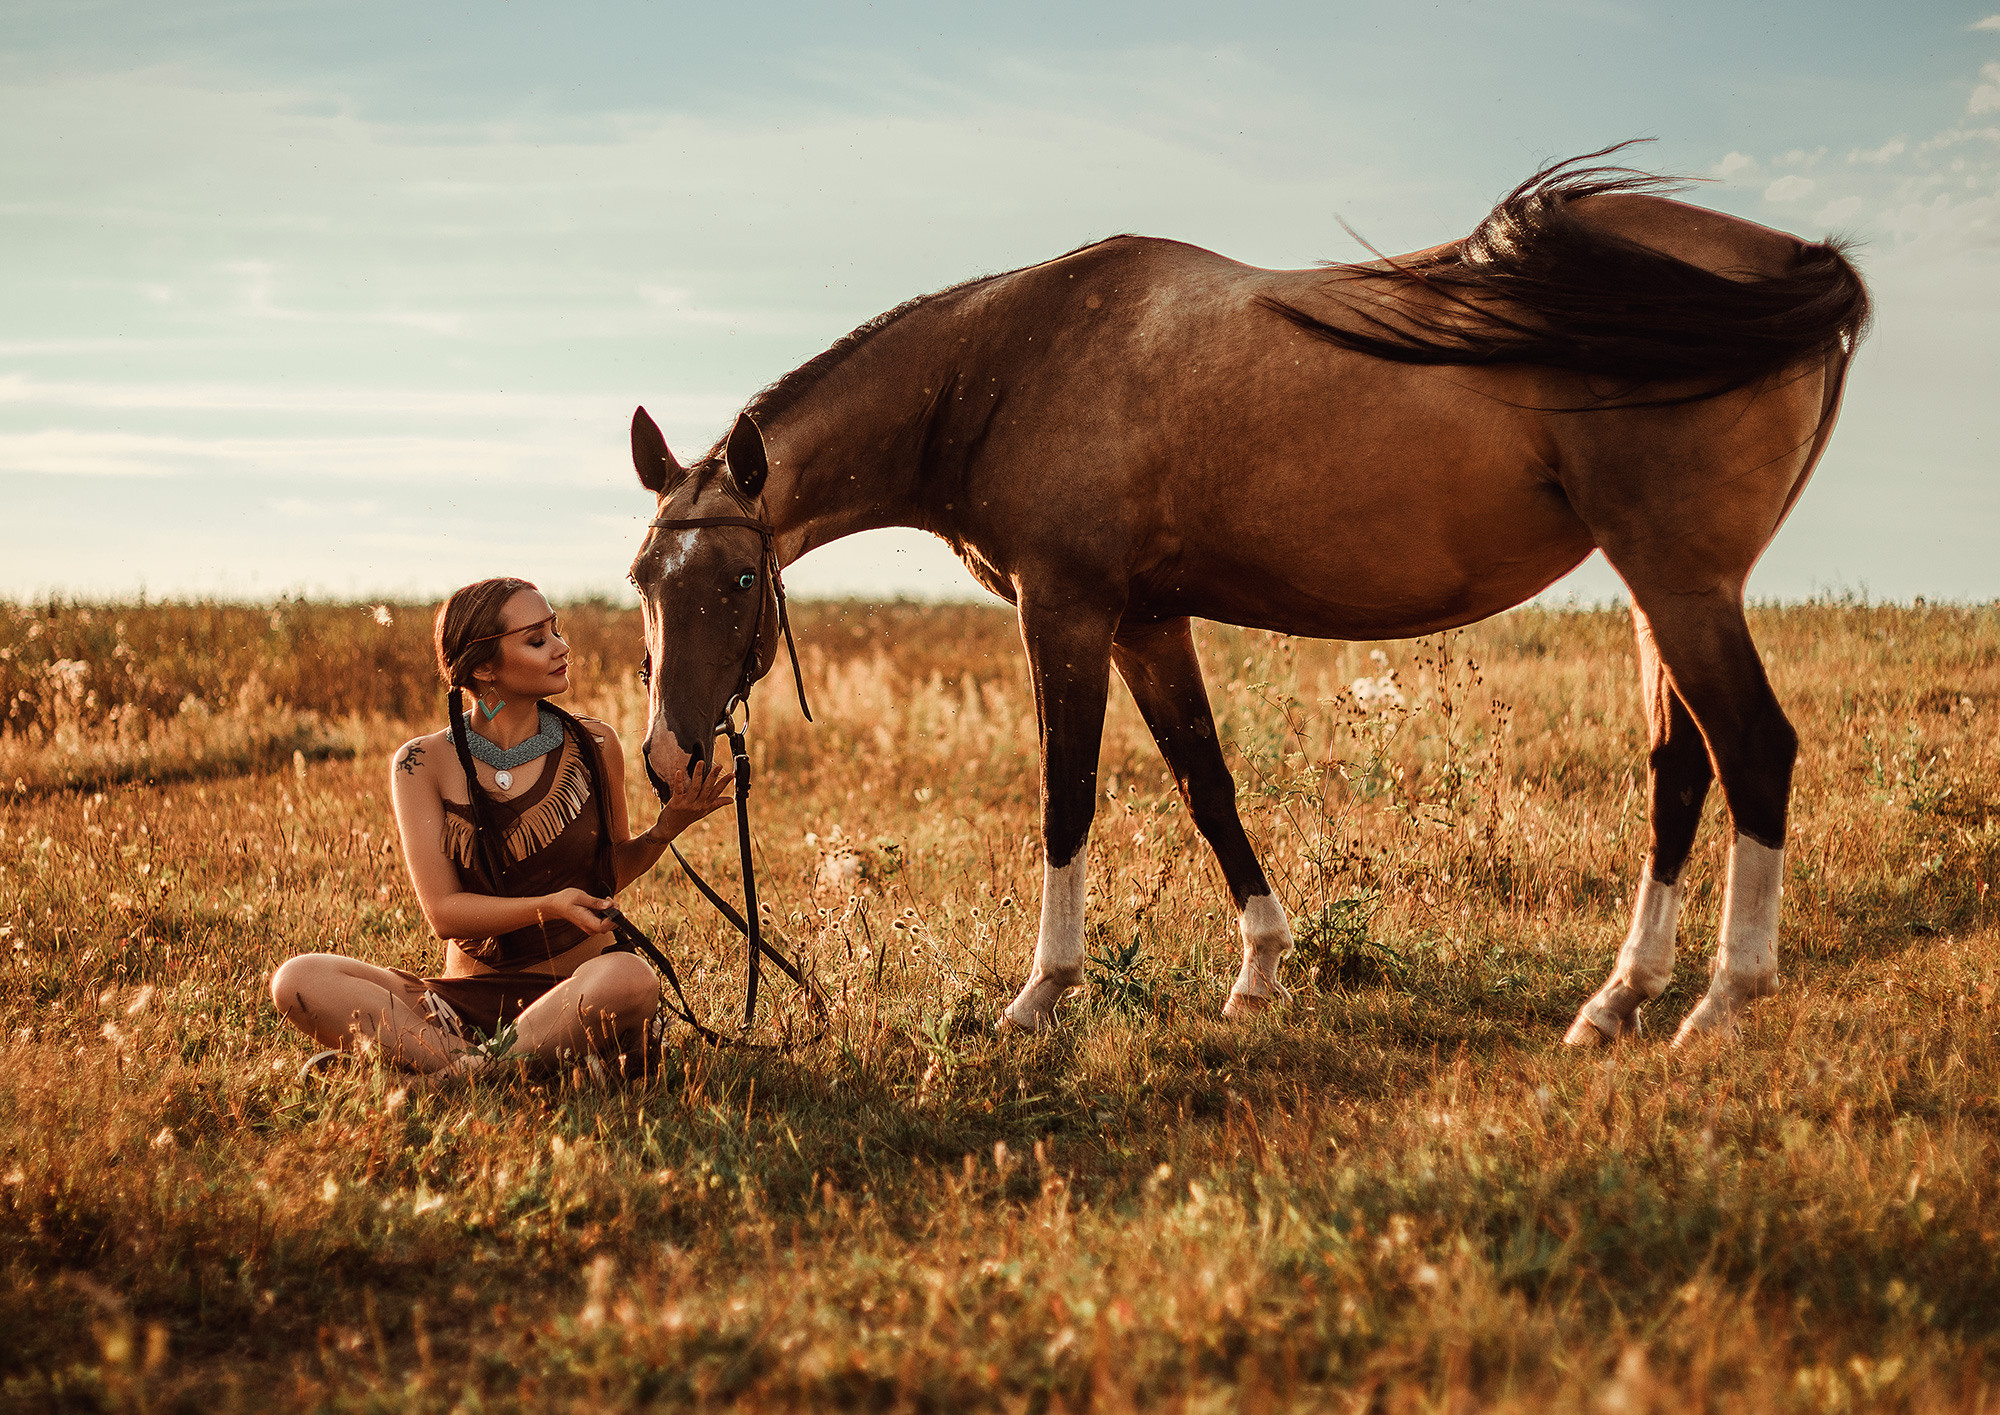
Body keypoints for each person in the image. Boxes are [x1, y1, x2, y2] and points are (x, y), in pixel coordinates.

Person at [269, 577, 731, 1085]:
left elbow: (609, 871)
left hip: (581, 990)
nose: (562, 647)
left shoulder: (596, 743)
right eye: (537, 640)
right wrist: (550, 906)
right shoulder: (421, 764)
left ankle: (441, 1076)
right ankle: (508, 1070)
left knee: (631, 979)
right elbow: (445, 914)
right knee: (299, 979)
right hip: (462, 1007)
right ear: (484, 667)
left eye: (555, 631)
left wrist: (666, 829)